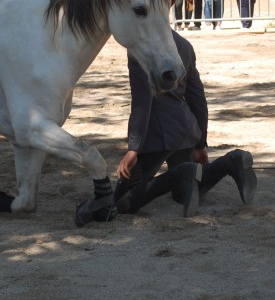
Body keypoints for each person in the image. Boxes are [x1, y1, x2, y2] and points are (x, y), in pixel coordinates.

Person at [107, 30, 257, 223]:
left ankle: (181, 172)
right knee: (182, 192)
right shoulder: (184, 44)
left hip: (157, 133)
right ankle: (230, 162)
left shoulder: (140, 46)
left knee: (122, 202)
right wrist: (200, 143)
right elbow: (197, 98)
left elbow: (142, 101)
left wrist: (133, 148)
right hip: (185, 131)